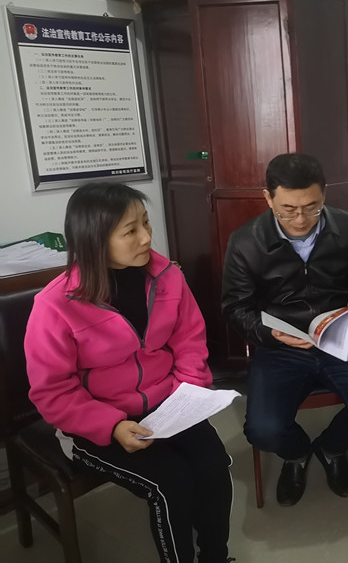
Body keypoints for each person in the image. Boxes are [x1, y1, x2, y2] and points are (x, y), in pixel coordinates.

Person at [25, 182, 233, 563]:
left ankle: (216, 557)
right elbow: (53, 391)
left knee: (214, 465)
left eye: (146, 223)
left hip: (168, 406)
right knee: (171, 481)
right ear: (95, 240)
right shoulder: (55, 305)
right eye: (131, 231)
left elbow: (189, 341)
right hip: (97, 423)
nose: (147, 238)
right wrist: (113, 426)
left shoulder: (167, 276)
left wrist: (188, 394)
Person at [221, 153, 348, 506]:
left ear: (324, 194)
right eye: (288, 210)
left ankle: (331, 448)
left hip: (338, 340)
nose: (300, 219)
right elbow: (235, 309)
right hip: (280, 346)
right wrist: (269, 334)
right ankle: (297, 454)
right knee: (263, 431)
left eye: (312, 208)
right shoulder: (246, 241)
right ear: (268, 198)